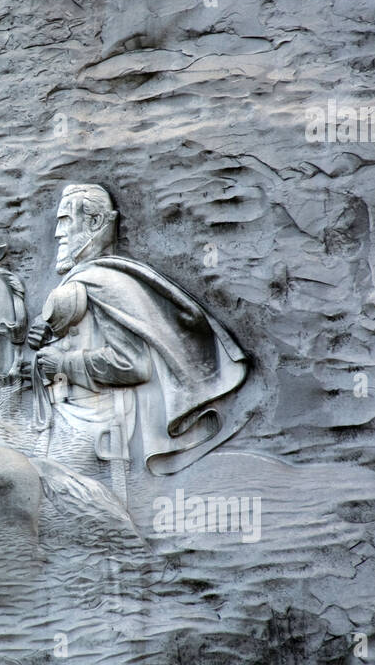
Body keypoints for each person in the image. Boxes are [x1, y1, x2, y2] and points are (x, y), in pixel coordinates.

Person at [27, 184, 248, 480]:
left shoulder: (106, 283)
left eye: (65, 220)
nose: (57, 233)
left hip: (93, 425)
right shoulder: (83, 281)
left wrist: (63, 364)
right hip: (65, 413)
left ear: (95, 223)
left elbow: (132, 365)